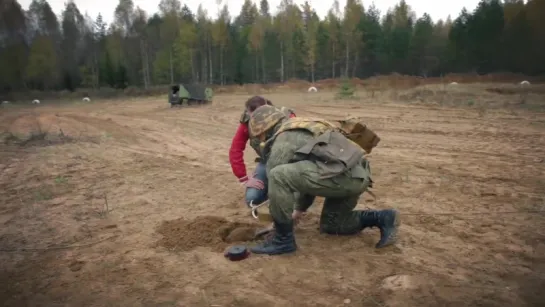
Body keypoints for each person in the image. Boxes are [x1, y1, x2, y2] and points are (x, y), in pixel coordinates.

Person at [246, 105, 400, 255]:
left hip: (343, 176)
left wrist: (278, 225)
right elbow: (305, 172)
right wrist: (299, 211)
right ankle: (383, 217)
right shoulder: (300, 125)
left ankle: (282, 241)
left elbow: (279, 181)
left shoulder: (284, 138)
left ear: (263, 132)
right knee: (333, 225)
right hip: (355, 175)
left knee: (277, 175)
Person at [228, 96, 296, 207]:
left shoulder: (286, 117)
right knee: (252, 199)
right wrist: (244, 178)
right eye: (252, 116)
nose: (255, 120)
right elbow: (235, 149)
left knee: (288, 201)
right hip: (266, 162)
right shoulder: (247, 122)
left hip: (289, 164)